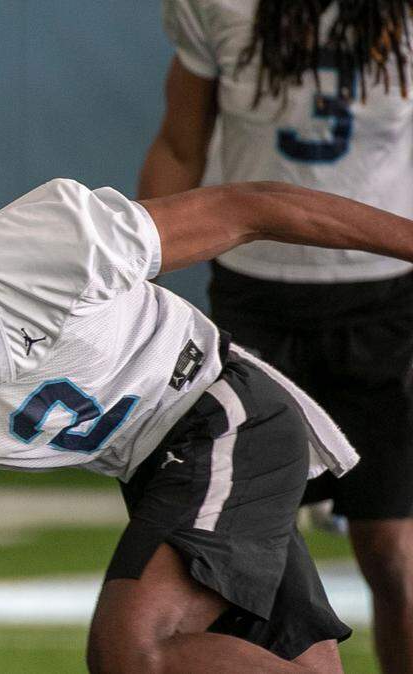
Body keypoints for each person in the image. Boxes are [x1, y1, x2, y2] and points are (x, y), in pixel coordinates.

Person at [0, 155, 413, 672]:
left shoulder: (48, 242)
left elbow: (252, 209)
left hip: (221, 412)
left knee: (133, 652)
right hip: (158, 470)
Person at [137, 2, 413, 670]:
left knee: (394, 551)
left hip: (385, 303)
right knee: (250, 556)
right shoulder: (220, 5)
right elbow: (181, 143)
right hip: (254, 300)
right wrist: (134, 270)